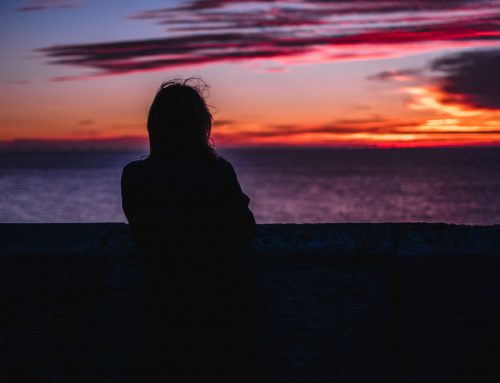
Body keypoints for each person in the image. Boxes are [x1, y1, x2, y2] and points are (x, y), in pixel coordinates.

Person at [121, 78, 257, 381]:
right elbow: (246, 231)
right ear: (201, 126)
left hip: (160, 306)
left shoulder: (134, 176)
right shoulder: (217, 171)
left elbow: (143, 232)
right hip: (218, 305)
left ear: (154, 126)